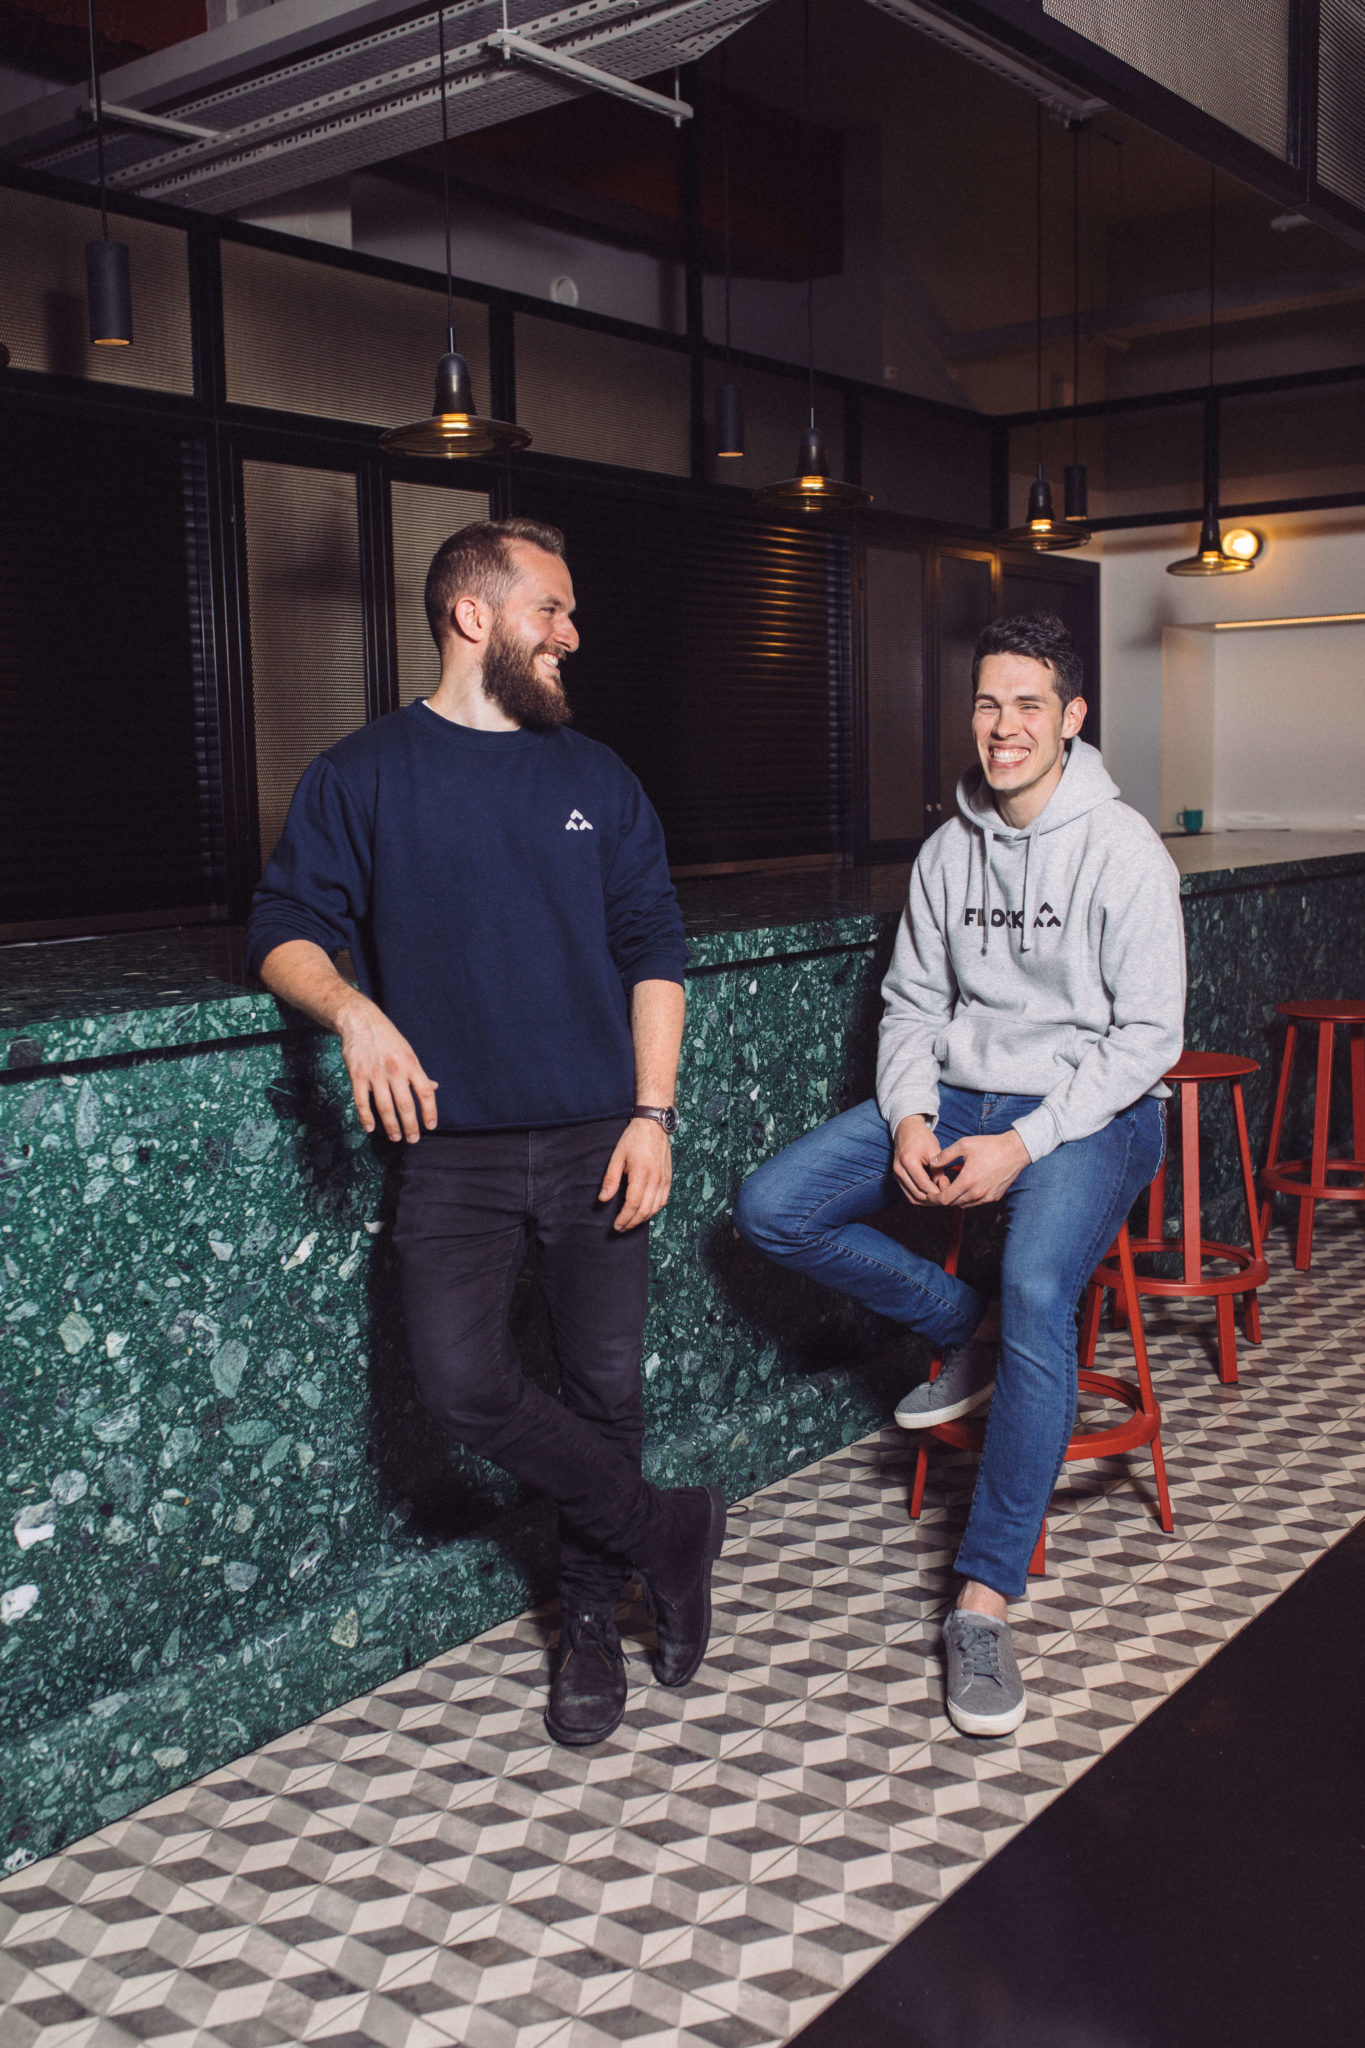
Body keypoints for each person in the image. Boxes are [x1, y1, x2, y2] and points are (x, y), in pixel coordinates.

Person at [246, 517, 725, 1751]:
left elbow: (655, 950)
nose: (572, 632)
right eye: (550, 609)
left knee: (604, 1388)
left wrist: (655, 1112)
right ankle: (670, 1530)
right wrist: (354, 1012)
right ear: (474, 615)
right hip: (450, 1149)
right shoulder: (361, 774)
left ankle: (589, 1621)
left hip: (598, 1135)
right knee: (463, 1384)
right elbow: (283, 926)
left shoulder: (599, 780)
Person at [734, 611, 1184, 1738]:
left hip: (1095, 1112)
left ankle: (982, 1602)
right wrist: (910, 1115)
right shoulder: (948, 851)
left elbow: (1148, 1039)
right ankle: (962, 1324)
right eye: (988, 703)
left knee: (1039, 1288)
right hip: (962, 1097)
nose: (1003, 725)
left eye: (1028, 703)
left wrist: (1024, 1143)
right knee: (772, 1207)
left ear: (1072, 717)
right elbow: (910, 1008)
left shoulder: (1124, 848)